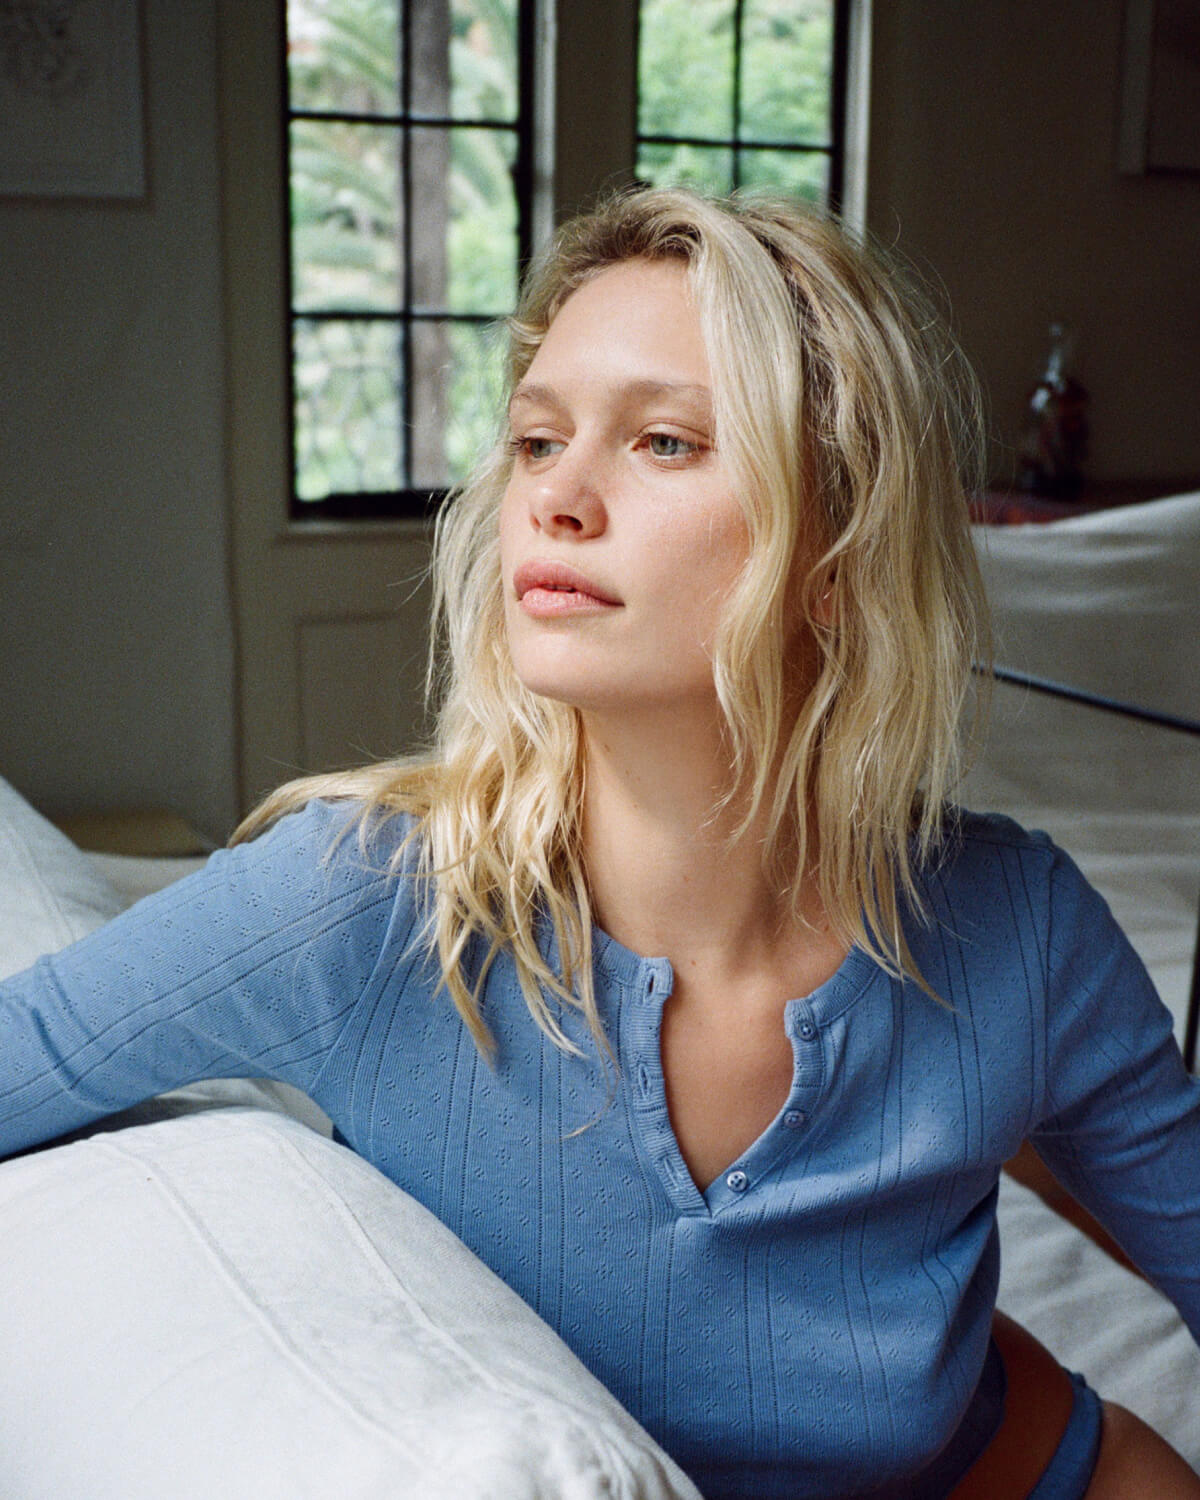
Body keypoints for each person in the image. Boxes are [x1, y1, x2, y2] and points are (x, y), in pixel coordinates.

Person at [2, 187, 1199, 1498]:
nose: (559, 497)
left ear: (834, 546)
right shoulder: (365, 904)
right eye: (536, 437)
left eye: (665, 442)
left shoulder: (1018, 930)